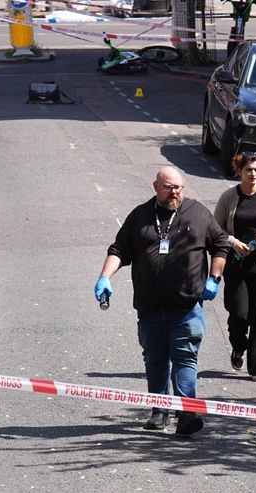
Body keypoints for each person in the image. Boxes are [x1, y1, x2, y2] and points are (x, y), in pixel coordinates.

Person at [95, 167, 229, 435]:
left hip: (186, 307)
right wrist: (104, 277)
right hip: (150, 307)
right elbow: (119, 249)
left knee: (185, 359)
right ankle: (159, 411)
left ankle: (187, 412)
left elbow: (220, 244)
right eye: (169, 188)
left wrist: (214, 277)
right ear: (156, 186)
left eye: (179, 187)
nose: (175, 193)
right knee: (155, 360)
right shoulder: (140, 216)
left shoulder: (198, 213)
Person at [213, 152, 256, 381]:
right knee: (240, 314)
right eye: (248, 170)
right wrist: (233, 242)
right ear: (239, 172)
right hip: (237, 264)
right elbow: (216, 230)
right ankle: (238, 346)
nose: (253, 174)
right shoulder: (228, 197)